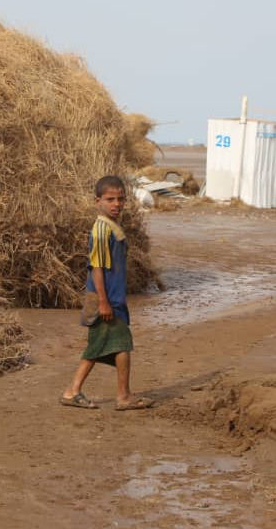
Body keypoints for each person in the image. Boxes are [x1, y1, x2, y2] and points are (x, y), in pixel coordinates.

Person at [60, 175, 153, 411]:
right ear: (97, 201)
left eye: (120, 199)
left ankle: (76, 391)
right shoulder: (101, 229)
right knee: (117, 345)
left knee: (104, 346)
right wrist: (103, 302)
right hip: (105, 299)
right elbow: (97, 267)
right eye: (110, 199)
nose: (116, 204)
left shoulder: (112, 227)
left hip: (113, 298)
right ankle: (119, 396)